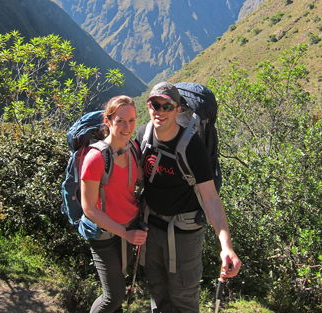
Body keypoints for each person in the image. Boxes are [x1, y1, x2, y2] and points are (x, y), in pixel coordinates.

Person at [135, 82, 242, 313]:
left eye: (167, 106)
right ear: (148, 105)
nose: (160, 111)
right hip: (151, 230)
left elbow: (211, 198)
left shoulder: (192, 146)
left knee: (183, 299)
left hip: (184, 233)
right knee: (157, 293)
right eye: (155, 105)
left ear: (178, 109)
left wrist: (226, 246)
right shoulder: (143, 135)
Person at [80, 95, 148, 313]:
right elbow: (89, 208)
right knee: (114, 296)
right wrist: (124, 233)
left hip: (129, 229)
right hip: (105, 236)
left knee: (117, 289)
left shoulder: (134, 150)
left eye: (131, 120)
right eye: (120, 121)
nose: (127, 127)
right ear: (108, 121)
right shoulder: (96, 158)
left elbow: (138, 183)